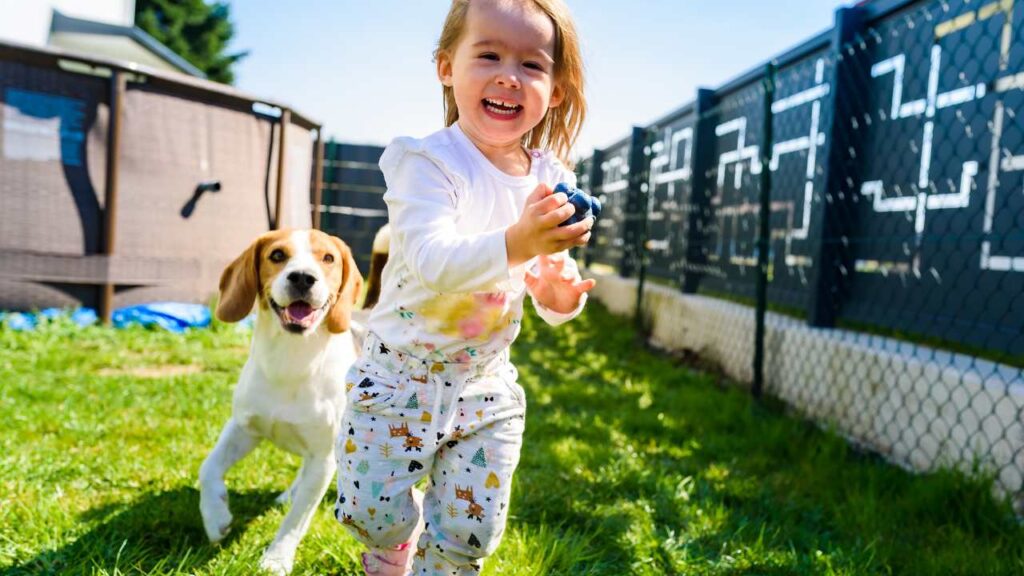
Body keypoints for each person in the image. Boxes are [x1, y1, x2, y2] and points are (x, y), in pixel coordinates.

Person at [335, 0, 594, 573]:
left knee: (471, 531)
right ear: (446, 67)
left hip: (484, 385)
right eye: (489, 55)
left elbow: (546, 275)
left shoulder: (552, 179)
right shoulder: (426, 161)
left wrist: (557, 298)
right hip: (397, 376)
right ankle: (392, 546)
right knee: (368, 513)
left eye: (532, 64)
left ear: (554, 91)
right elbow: (432, 260)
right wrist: (523, 242)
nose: (509, 74)